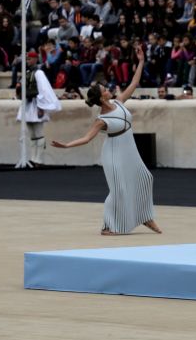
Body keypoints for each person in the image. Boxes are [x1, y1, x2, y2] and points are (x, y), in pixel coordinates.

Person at [52, 44, 162, 235]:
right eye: (105, 89)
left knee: (145, 178)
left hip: (129, 150)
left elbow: (134, 84)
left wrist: (141, 61)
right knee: (119, 189)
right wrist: (67, 145)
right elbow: (87, 138)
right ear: (101, 98)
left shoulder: (118, 102)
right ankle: (108, 226)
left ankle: (144, 216)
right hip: (113, 153)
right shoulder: (101, 120)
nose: (108, 89)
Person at [16, 51, 61, 165]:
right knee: (32, 133)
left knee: (38, 132)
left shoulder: (39, 73)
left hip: (36, 104)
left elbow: (43, 90)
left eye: (30, 59)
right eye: (27, 59)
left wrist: (41, 107)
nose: (28, 61)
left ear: (36, 59)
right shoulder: (26, 72)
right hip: (28, 104)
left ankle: (39, 159)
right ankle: (33, 158)